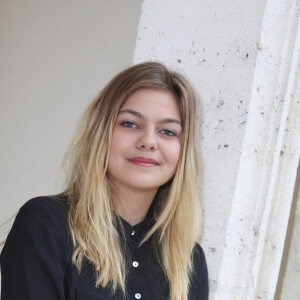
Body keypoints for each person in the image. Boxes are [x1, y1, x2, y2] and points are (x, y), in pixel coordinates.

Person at [0, 62, 208, 300]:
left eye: (168, 131)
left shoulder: (189, 260)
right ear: (101, 132)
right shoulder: (46, 223)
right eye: (130, 124)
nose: (149, 141)